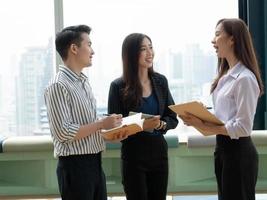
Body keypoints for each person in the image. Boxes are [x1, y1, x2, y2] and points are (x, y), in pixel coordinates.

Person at [180, 18, 264, 200]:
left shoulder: (244, 79)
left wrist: (203, 125)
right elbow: (225, 116)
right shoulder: (225, 76)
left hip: (239, 154)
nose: (213, 40)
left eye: (218, 35)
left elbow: (243, 128)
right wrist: (200, 115)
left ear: (232, 39)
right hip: (224, 151)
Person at [44, 25, 125, 200]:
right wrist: (101, 124)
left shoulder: (83, 82)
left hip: (94, 163)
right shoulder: (58, 85)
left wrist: (109, 132)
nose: (93, 51)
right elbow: (63, 132)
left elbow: (87, 125)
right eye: (88, 44)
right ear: (74, 48)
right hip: (75, 167)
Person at [108, 33, 178, 200]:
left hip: (159, 153)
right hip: (134, 156)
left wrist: (160, 125)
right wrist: (140, 125)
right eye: (143, 49)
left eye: (151, 47)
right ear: (131, 54)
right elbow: (114, 126)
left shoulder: (161, 81)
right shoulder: (118, 86)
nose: (150, 53)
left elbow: (172, 118)